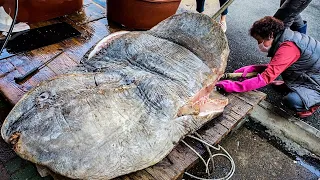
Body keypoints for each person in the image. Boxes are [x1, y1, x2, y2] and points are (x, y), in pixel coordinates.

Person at [216, 16, 320, 118]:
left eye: (260, 40)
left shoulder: (289, 48)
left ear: (270, 35)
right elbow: (278, 65)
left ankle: (313, 104)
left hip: (317, 83)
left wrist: (234, 86)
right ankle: (292, 85)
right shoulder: (285, 38)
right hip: (311, 73)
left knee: (291, 100)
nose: (259, 44)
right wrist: (253, 68)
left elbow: (265, 78)